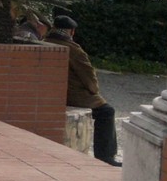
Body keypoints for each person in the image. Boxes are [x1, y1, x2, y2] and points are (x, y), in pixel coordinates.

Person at [45, 15, 121, 167]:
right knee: (107, 112)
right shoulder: (74, 50)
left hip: (52, 92)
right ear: (71, 31)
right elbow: (88, 76)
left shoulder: (45, 42)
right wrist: (94, 91)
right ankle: (106, 156)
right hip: (73, 95)